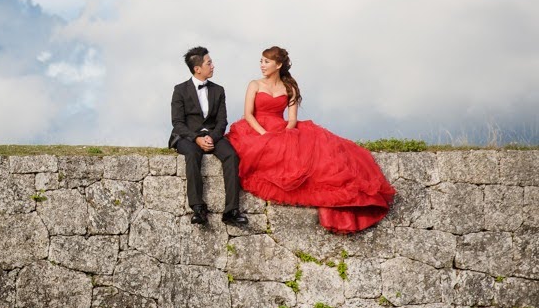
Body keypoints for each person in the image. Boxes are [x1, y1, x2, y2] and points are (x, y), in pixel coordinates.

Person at [226, 46, 396, 233]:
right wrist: (264, 134)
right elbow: (248, 114)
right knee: (270, 152)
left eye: (266, 61)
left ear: (278, 65)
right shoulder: (255, 84)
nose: (262, 65)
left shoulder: (289, 87)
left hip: (281, 128)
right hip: (255, 129)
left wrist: (285, 133)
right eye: (261, 61)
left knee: (323, 153)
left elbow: (291, 119)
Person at [167, 46, 248, 227]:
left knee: (231, 155)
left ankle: (231, 211)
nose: (213, 66)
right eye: (209, 63)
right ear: (197, 69)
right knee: (192, 154)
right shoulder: (179, 90)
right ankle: (198, 208)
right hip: (188, 137)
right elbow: (177, 123)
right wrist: (196, 139)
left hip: (213, 136)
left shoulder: (218, 90)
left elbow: (222, 121)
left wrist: (212, 137)